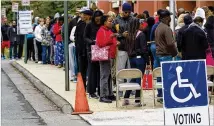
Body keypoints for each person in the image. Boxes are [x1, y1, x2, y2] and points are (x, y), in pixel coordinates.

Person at [123, 19, 148, 106]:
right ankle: (137, 100)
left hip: (131, 58)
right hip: (140, 59)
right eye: (141, 24)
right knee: (138, 79)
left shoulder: (129, 35)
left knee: (134, 77)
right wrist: (147, 61)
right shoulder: (141, 35)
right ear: (137, 25)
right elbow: (144, 49)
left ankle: (126, 97)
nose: (142, 25)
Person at [155, 10, 178, 103]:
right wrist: (175, 53)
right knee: (168, 77)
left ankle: (160, 95)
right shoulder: (166, 28)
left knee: (160, 76)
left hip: (159, 55)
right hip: (166, 55)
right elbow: (170, 43)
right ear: (165, 18)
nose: (170, 18)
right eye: (169, 17)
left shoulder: (158, 27)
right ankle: (167, 95)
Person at [96, 15, 118, 103]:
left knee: (109, 76)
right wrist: (111, 38)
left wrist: (116, 42)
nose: (111, 23)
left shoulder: (108, 31)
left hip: (110, 55)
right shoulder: (101, 31)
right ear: (104, 22)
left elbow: (112, 42)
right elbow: (101, 44)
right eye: (109, 21)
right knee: (104, 76)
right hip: (105, 56)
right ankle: (103, 95)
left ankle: (109, 93)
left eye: (112, 21)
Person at [84, 10, 103, 98]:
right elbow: (85, 37)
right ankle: (91, 91)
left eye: (99, 19)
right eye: (96, 19)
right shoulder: (89, 25)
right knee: (92, 71)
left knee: (100, 70)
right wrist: (92, 42)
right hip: (91, 49)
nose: (98, 21)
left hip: (102, 49)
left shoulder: (102, 25)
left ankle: (100, 90)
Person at [75, 7, 93, 89]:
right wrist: (78, 48)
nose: (81, 16)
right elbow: (76, 37)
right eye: (82, 14)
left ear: (88, 16)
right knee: (82, 70)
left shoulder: (92, 25)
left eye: (83, 14)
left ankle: (90, 87)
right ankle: (83, 87)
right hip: (81, 50)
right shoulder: (80, 24)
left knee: (91, 70)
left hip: (90, 50)